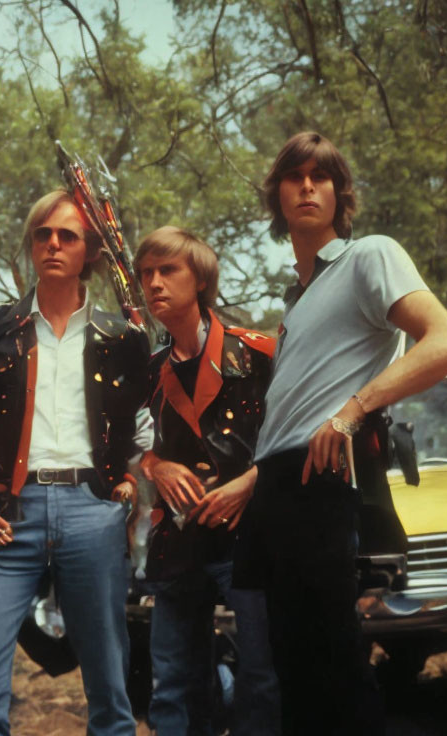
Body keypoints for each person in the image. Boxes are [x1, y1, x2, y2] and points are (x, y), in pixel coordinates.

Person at [235, 131, 447, 735]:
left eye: (321, 176)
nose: (308, 186)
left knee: (336, 662)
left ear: (340, 193)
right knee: (290, 669)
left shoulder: (370, 255)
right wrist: (252, 481)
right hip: (277, 486)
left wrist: (352, 410)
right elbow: (289, 414)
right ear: (278, 194)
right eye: (295, 176)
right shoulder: (296, 304)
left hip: (325, 478)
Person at [0, 189, 152, 736]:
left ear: (92, 252)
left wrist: (126, 501)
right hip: (10, 515)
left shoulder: (124, 338)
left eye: (68, 235)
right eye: (43, 234)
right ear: (31, 244)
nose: (53, 244)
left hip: (92, 511)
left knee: (110, 691)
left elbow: (142, 433)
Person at [134, 226, 281, 736]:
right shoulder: (145, 371)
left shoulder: (259, 352)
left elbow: (299, 433)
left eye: (167, 270)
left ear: (200, 279)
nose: (154, 283)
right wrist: (156, 467)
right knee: (172, 680)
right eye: (146, 273)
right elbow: (125, 449)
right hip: (178, 539)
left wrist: (252, 482)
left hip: (251, 536)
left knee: (262, 673)